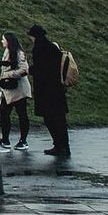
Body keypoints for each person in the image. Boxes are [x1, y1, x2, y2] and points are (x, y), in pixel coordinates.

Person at [27, 23, 71, 157]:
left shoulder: (38, 49)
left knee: (50, 119)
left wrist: (30, 69)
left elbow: (40, 69)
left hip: (45, 90)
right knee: (60, 119)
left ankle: (58, 145)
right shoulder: (53, 47)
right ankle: (64, 145)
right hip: (57, 89)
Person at [0, 30, 33, 150]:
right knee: (4, 113)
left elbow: (24, 70)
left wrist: (8, 75)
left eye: (3, 39)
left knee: (21, 114)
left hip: (18, 89)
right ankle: (5, 139)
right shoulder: (7, 51)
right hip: (7, 89)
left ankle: (23, 140)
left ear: (9, 41)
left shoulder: (19, 53)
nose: (2, 41)